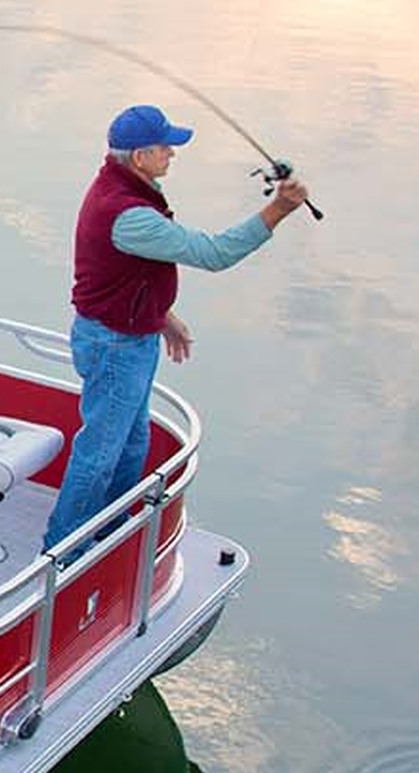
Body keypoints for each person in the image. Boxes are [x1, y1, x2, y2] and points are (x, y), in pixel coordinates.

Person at [42, 104, 309, 553]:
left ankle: (108, 532)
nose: (172, 153)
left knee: (132, 445)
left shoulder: (122, 189)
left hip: (129, 336)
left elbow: (123, 272)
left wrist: (162, 317)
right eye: (165, 147)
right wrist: (277, 210)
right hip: (115, 346)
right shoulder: (130, 214)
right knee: (100, 454)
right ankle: (63, 552)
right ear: (140, 156)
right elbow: (214, 254)